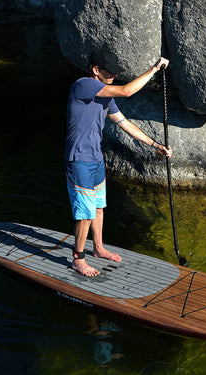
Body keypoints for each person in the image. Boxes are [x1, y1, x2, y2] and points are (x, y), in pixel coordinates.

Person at [65, 51, 172, 276]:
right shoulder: (83, 85)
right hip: (79, 159)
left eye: (116, 73)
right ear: (96, 70)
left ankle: (98, 248)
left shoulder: (105, 96)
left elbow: (124, 123)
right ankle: (78, 259)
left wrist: (155, 144)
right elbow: (127, 91)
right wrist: (155, 69)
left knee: (99, 208)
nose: (114, 76)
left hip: (96, 158)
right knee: (85, 214)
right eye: (110, 73)